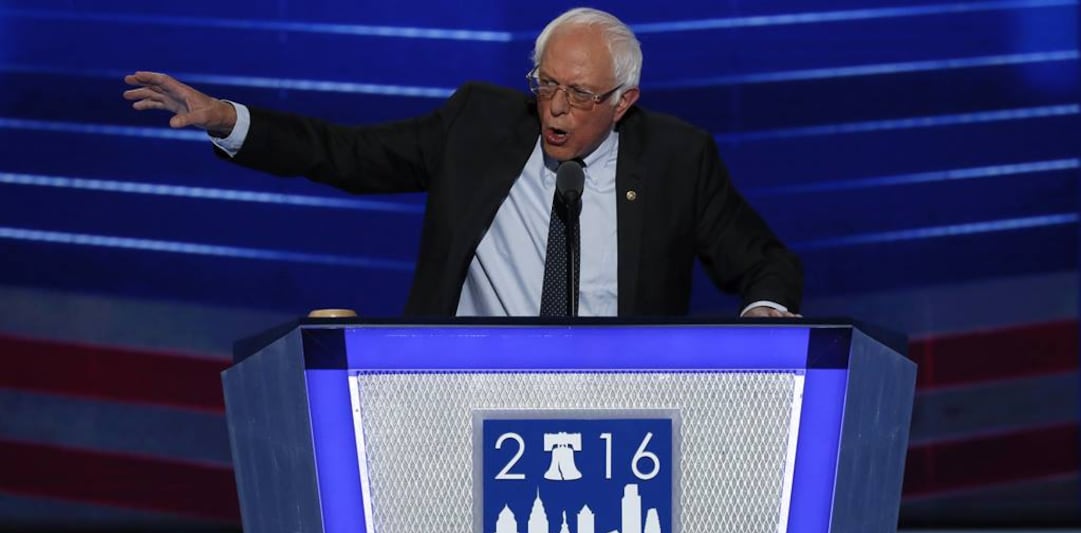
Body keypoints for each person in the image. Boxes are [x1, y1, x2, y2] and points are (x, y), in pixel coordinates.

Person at [124, 7, 802, 318]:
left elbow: (764, 260)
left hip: (623, 405)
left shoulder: (677, 157)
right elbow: (348, 155)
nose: (556, 110)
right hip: (467, 390)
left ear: (623, 101)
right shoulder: (478, 124)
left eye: (581, 95)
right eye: (546, 84)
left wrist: (766, 308)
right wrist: (229, 118)